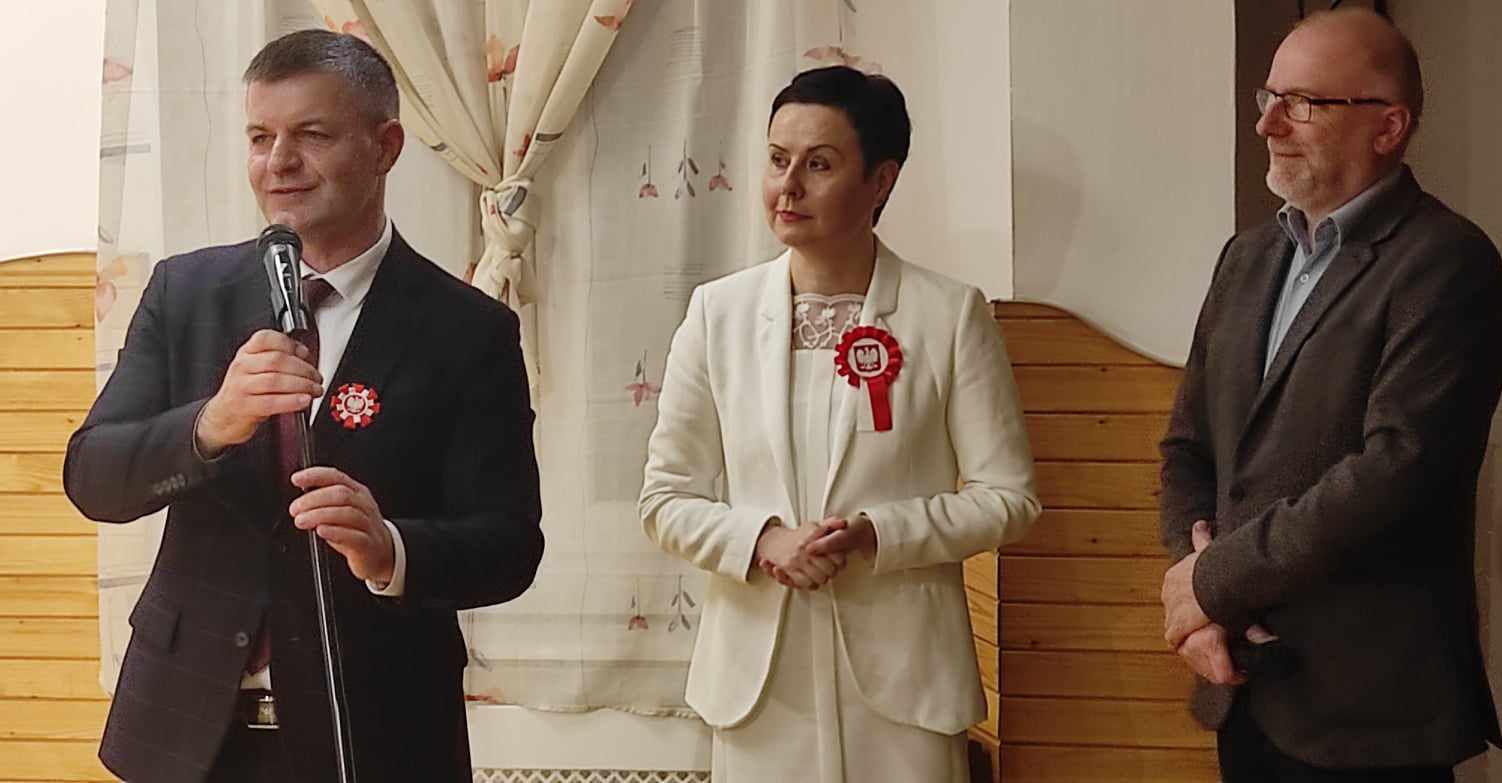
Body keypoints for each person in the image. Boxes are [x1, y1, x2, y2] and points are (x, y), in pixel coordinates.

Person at [63, 29, 542, 782]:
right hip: (186, 736)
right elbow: (92, 476)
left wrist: (391, 549)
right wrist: (211, 424)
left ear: (385, 147)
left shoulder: (466, 330)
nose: (278, 162)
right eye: (261, 137)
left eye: (311, 135)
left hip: (377, 736)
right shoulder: (186, 293)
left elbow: (509, 544)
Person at [639, 65, 1040, 781]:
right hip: (759, 689)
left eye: (819, 165)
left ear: (880, 180)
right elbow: (665, 498)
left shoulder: (949, 315)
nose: (787, 186)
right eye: (777, 159)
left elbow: (1009, 498)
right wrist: (762, 539)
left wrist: (878, 532)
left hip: (907, 688)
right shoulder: (717, 314)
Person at [1158, 9, 1502, 781]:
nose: (1268, 124)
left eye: (1304, 103)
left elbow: (1396, 471)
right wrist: (1200, 601)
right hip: (1241, 686)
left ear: (1389, 127)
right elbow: (1189, 446)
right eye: (1269, 98)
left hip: (1369, 709)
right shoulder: (1247, 256)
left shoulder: (1446, 263)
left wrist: (1212, 584)